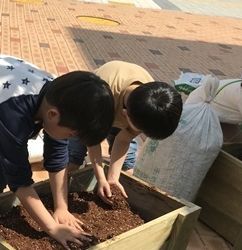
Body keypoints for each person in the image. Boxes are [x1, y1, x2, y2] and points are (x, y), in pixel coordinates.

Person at [0, 53, 115, 249]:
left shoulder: (61, 103)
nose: (69, 140)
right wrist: (52, 228)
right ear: (52, 115)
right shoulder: (13, 112)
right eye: (70, 135)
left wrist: (61, 207)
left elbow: (56, 158)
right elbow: (19, 178)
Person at [64, 61, 182, 202]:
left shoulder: (150, 105)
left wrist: (112, 178)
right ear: (125, 115)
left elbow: (124, 139)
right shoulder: (99, 96)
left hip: (117, 108)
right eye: (140, 131)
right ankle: (62, 195)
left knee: (128, 164)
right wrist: (100, 177)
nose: (141, 134)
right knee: (73, 159)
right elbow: (92, 141)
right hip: (85, 109)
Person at [185, 76, 242, 142]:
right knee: (206, 143)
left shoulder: (239, 90)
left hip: (219, 110)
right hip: (201, 109)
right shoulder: (241, 97)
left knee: (235, 143)